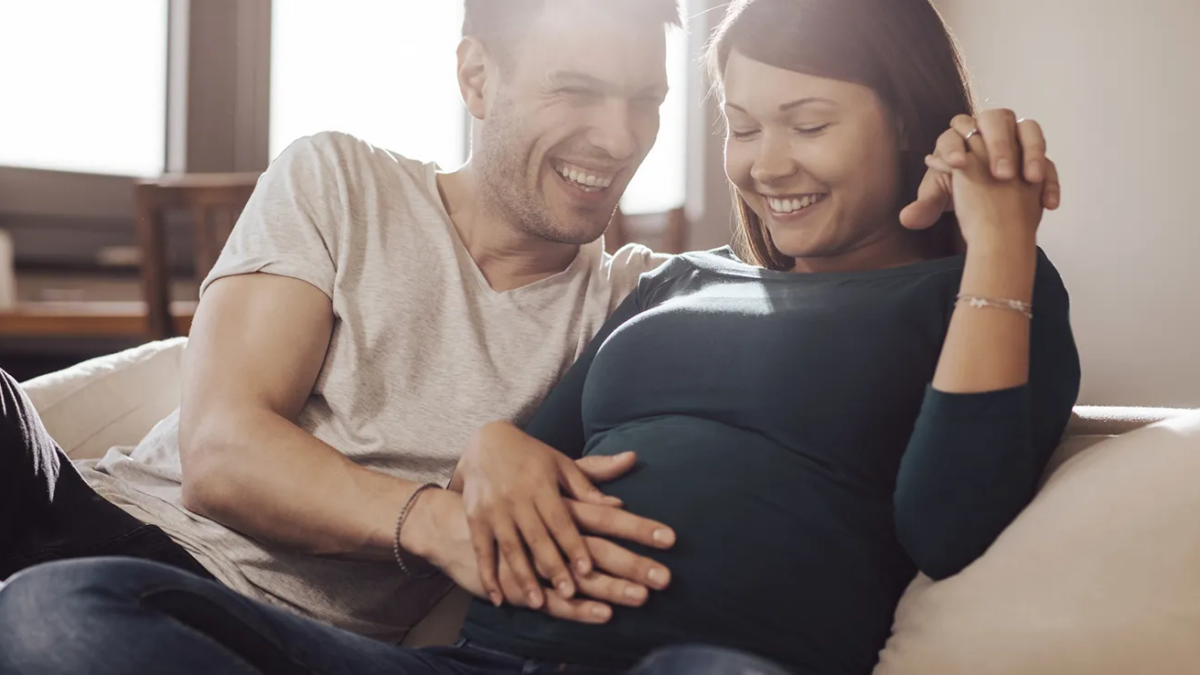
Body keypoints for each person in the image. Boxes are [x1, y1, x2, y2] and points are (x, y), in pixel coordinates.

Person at [0, 0, 1079, 673]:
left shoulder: (971, 297)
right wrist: (480, 463)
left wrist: (996, 241)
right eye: (744, 127)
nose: (763, 163)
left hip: (669, 660)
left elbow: (948, 517)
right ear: (476, 79)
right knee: (58, 606)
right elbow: (237, 453)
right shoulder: (659, 282)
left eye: (809, 124)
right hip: (181, 552)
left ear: (904, 118)